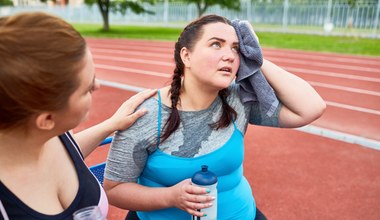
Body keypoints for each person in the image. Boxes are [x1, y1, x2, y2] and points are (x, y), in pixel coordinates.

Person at [103, 14, 326, 220]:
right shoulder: (146, 114)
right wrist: (171, 197)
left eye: (236, 49)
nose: (230, 55)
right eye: (216, 44)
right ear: (186, 56)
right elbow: (114, 190)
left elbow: (311, 108)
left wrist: (257, 58)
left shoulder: (238, 100)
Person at [0, 12, 156, 220]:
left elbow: (68, 150)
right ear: (46, 120)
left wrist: (111, 124)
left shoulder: (55, 135)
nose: (97, 85)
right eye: (87, 89)